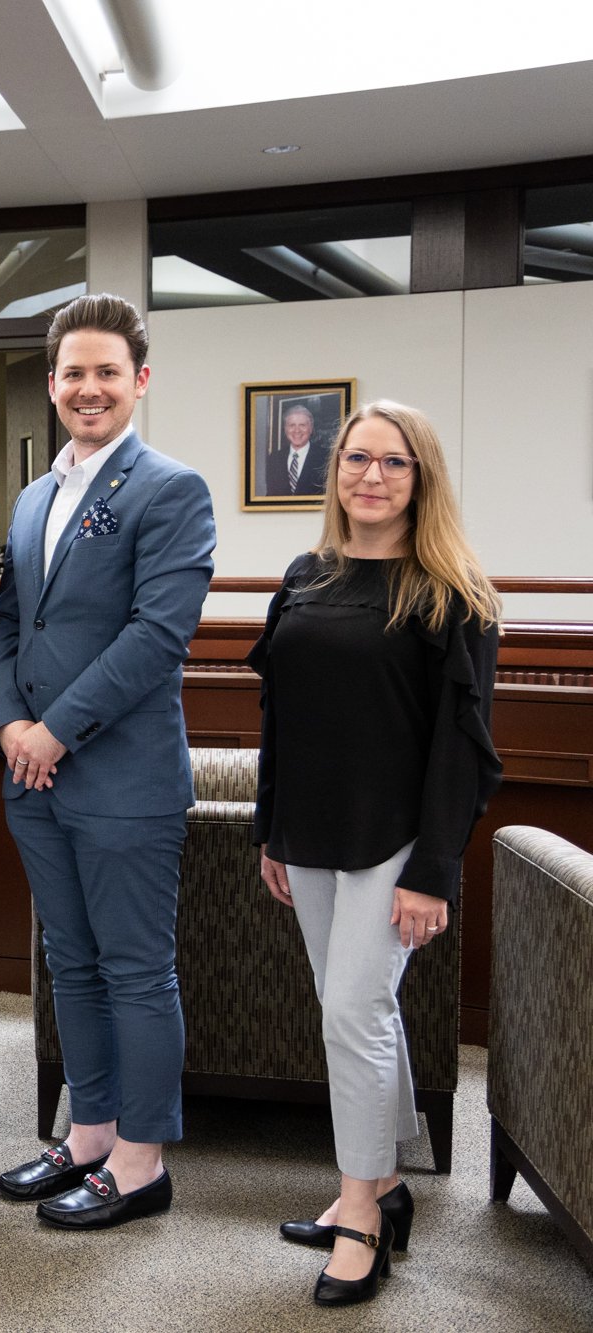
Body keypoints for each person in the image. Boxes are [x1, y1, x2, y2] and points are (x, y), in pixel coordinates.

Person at [250, 401, 501, 1306]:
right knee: (353, 1008)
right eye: (358, 459)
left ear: (420, 478)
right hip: (309, 832)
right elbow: (280, 712)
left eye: (393, 464)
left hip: (395, 840)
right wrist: (269, 829)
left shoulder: (451, 592)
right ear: (334, 467)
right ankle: (388, 1184)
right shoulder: (305, 575)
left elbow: (459, 750)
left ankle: (359, 1210)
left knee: (353, 1013)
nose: (370, 477)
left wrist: (436, 870)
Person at [0, 293, 215, 1229]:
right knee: (70, 962)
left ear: (139, 382)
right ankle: (89, 1133)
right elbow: (7, 623)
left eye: (107, 373)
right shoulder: (37, 493)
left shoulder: (171, 489)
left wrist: (55, 730)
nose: (88, 388)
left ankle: (142, 1156)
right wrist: (7, 727)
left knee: (134, 969)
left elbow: (158, 636)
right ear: (52, 384)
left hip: (120, 777)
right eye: (73, 373)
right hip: (30, 774)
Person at [264, 403, 330, 498]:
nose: (297, 430)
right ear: (285, 429)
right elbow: (271, 495)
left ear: (311, 429)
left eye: (302, 425)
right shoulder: (274, 458)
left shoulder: (326, 457)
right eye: (291, 425)